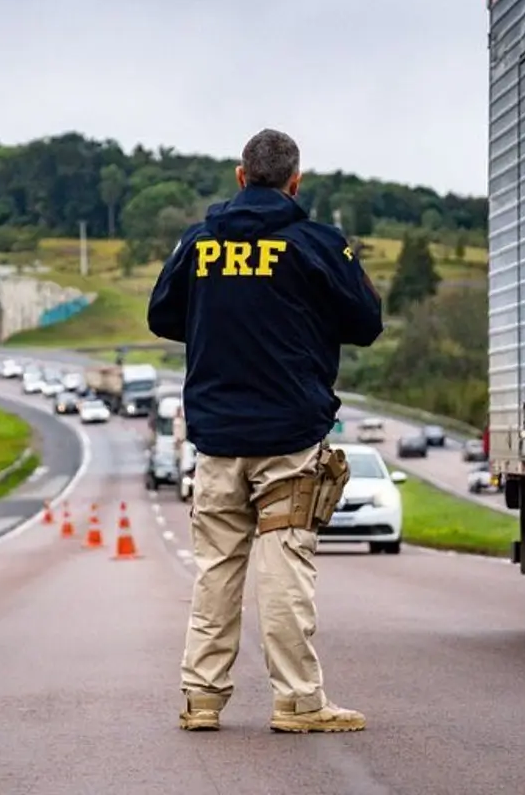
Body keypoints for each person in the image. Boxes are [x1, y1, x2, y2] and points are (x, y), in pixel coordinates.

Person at [146, 128, 383, 733]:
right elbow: (367, 322)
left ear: (240, 176)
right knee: (284, 569)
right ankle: (298, 702)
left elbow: (161, 314)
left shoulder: (198, 242)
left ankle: (201, 699)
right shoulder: (317, 243)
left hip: (217, 437)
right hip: (289, 435)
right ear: (295, 182)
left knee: (217, 569)